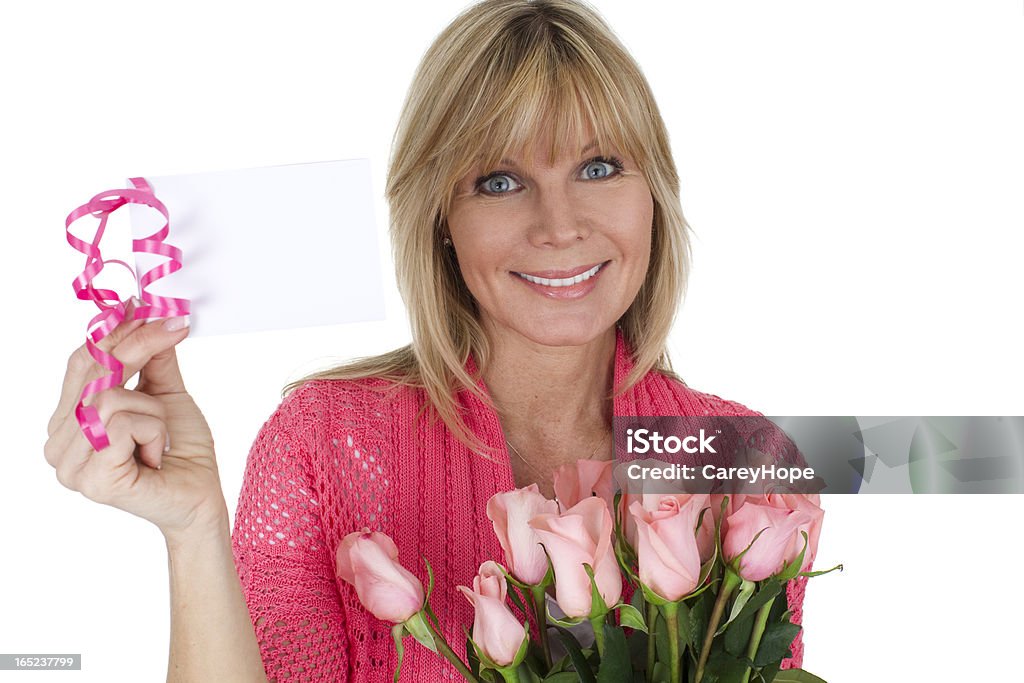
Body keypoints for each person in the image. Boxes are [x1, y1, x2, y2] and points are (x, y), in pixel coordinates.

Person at [44, 1, 812, 680]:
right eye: (501, 181)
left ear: (654, 197)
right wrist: (193, 529)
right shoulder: (322, 444)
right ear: (440, 219)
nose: (560, 225)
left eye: (600, 166)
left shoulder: (745, 458)